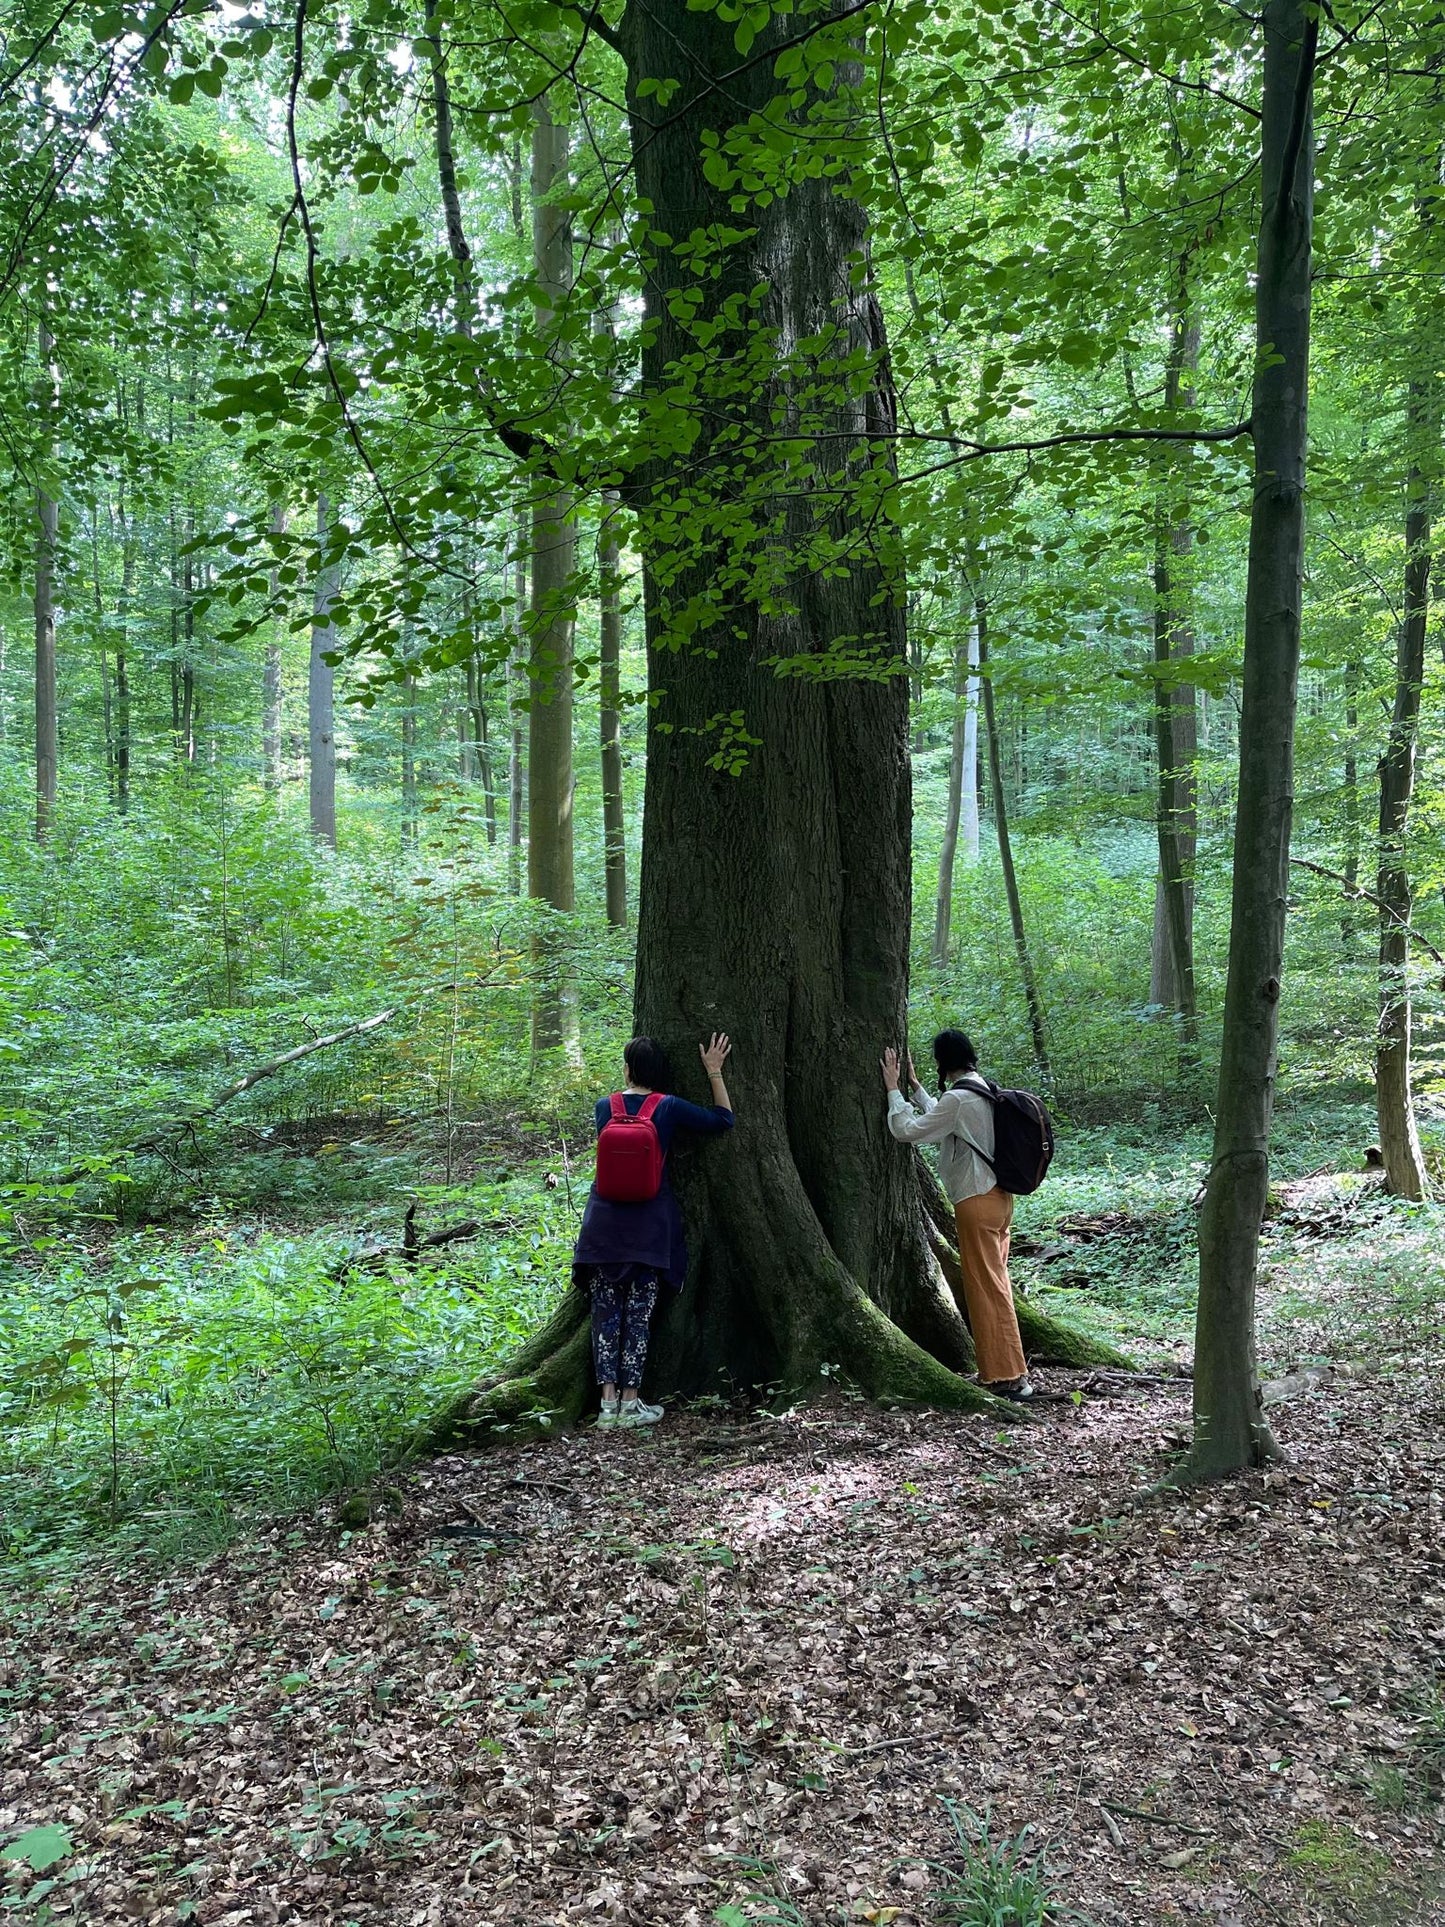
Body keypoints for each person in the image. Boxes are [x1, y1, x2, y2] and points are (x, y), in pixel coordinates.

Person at [573, 1033, 734, 1428]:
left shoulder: (603, 1107)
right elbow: (722, 1120)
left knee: (605, 1317)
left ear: (627, 1069)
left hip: (602, 1230)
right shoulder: (668, 1107)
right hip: (648, 1228)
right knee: (639, 1317)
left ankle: (607, 1407)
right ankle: (631, 1404)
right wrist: (714, 1071)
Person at [880, 1030, 1033, 1402]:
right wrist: (915, 1087)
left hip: (976, 1202)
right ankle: (1011, 1374)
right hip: (1000, 1202)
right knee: (996, 1287)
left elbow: (908, 1131)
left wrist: (892, 1090)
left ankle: (1007, 1377)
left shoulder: (960, 1099)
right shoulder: (982, 1089)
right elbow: (946, 1120)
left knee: (986, 1290)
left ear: (943, 1061)